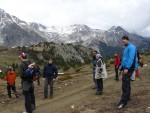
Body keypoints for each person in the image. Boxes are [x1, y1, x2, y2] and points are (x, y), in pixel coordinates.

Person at [117, 36, 138, 109]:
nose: (123, 41)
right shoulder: (125, 48)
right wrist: (120, 68)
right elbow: (124, 60)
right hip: (126, 67)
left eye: (125, 39)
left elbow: (131, 58)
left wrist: (127, 68)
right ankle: (127, 97)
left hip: (130, 67)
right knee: (127, 82)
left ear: (128, 40)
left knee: (125, 84)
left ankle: (123, 102)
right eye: (122, 39)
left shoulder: (131, 47)